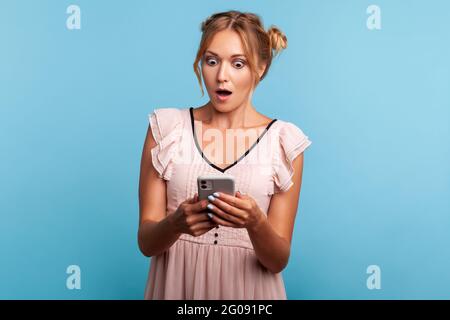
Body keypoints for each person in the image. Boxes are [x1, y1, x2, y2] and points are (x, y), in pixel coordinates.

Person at [138, 10, 312, 299]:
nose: (222, 76)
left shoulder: (284, 142)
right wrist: (176, 224)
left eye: (238, 64)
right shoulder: (165, 128)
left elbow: (278, 260)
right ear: (200, 63)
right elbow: (146, 243)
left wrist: (256, 223)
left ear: (261, 67)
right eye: (212, 61)